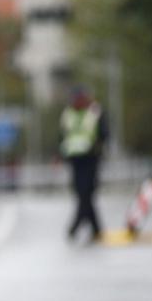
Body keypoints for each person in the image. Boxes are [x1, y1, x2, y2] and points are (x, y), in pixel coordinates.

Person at [60, 87, 109, 242]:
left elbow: (104, 133)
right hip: (75, 160)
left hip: (91, 159)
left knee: (87, 193)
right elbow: (62, 135)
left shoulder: (95, 112)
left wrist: (99, 149)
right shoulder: (68, 114)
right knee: (83, 194)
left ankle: (75, 227)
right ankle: (96, 229)